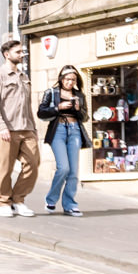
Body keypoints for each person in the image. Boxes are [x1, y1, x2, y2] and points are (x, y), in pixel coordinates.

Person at [0, 38, 40, 217]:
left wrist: (33, 129)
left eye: (22, 51)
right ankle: (4, 202)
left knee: (33, 164)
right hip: (6, 130)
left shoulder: (24, 77)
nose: (22, 54)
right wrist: (1, 127)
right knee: (5, 169)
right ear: (7, 54)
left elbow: (27, 105)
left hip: (26, 129)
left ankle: (18, 200)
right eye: (18, 52)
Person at [38, 65, 89, 217]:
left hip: (75, 131)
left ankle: (70, 205)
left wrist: (79, 109)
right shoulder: (51, 93)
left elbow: (85, 117)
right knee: (64, 168)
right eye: (67, 79)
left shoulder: (79, 95)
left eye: (73, 79)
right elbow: (41, 112)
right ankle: (51, 199)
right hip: (58, 130)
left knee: (73, 171)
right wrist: (57, 107)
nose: (70, 82)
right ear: (61, 79)